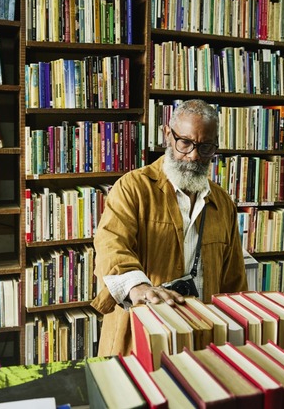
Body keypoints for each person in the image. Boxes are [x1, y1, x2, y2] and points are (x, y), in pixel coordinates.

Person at [90, 99, 248, 356]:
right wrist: (137, 286)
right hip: (139, 336)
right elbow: (111, 244)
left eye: (205, 147)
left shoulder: (223, 203)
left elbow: (234, 281)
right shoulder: (133, 187)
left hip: (203, 340)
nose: (194, 155)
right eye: (184, 142)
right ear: (167, 134)